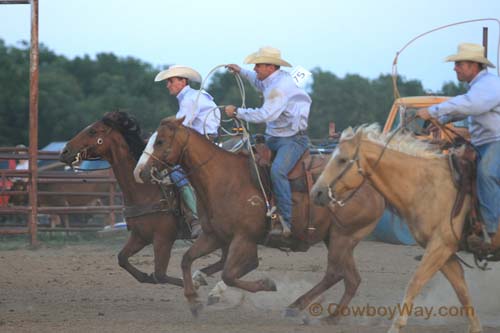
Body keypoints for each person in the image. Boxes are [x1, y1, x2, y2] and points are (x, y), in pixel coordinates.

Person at [416, 42, 500, 253]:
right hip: (483, 144)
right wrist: (442, 118)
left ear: (474, 66)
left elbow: (472, 105)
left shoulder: (489, 85)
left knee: (486, 173)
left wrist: (433, 111)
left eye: (459, 64)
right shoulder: (478, 87)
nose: (455, 68)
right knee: (454, 172)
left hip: (496, 142)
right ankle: (459, 230)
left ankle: (492, 231)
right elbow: (464, 108)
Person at [225, 46, 312, 238]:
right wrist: (241, 71)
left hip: (293, 139)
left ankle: (285, 221)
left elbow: (266, 114)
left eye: (258, 65)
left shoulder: (279, 88)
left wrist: (237, 112)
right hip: (275, 136)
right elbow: (257, 82)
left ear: (270, 67)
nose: (255, 68)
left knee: (277, 171)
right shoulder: (272, 80)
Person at [153, 65, 220, 238]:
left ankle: (195, 219)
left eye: (171, 81)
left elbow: (180, 127)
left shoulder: (190, 99)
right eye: (168, 81)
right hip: (206, 140)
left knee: (175, 172)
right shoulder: (192, 97)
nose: (168, 85)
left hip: (202, 144)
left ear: (183, 81)